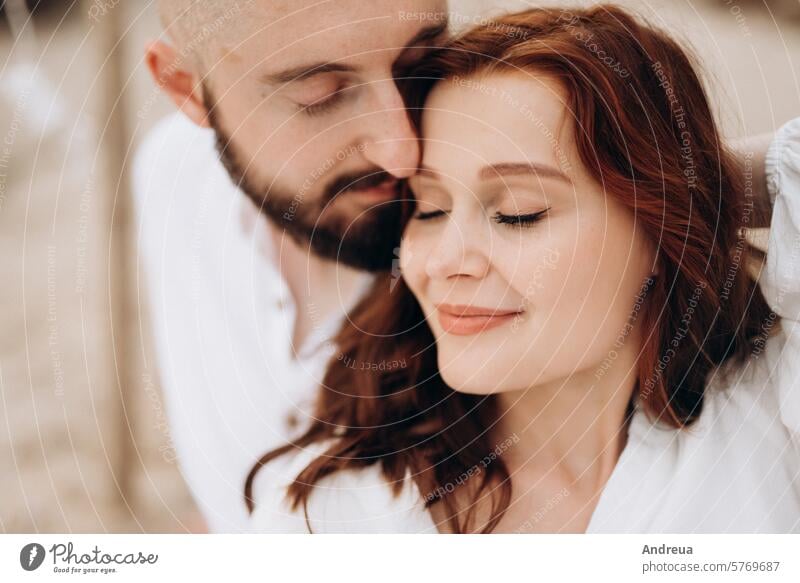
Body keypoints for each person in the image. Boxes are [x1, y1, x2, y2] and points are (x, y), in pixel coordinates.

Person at [245, 5, 800, 533]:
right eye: (429, 208)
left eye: (518, 213)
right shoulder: (328, 519)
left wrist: (705, 186)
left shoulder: (770, 427)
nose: (443, 261)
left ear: (658, 228)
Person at [132, 0, 449, 532]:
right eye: (320, 96)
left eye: (421, 65)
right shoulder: (170, 179)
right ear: (187, 87)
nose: (402, 150)